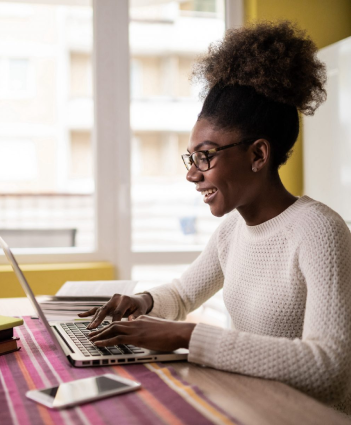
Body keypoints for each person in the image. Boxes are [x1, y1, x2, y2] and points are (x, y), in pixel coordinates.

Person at [80, 21, 351, 415]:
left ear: (258, 155)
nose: (193, 173)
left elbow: (329, 368)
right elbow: (183, 294)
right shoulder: (232, 232)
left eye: (205, 156)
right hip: (254, 407)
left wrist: (186, 335)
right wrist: (142, 301)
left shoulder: (320, 231)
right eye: (192, 157)